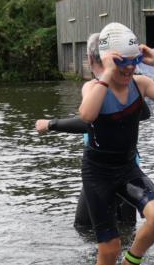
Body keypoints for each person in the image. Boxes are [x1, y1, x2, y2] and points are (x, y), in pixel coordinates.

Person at [71, 23, 154, 265]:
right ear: (107, 60)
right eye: (122, 65)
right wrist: (108, 73)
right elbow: (86, 115)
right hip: (97, 174)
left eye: (133, 64)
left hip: (126, 168)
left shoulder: (141, 84)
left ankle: (132, 261)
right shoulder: (94, 86)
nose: (128, 71)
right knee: (108, 248)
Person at [36, 33, 146, 230]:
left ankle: (106, 261)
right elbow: (143, 113)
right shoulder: (125, 84)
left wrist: (52, 124)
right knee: (126, 230)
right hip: (128, 168)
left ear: (89, 58)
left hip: (104, 171)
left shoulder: (99, 85)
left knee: (84, 227)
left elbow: (90, 122)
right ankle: (128, 260)